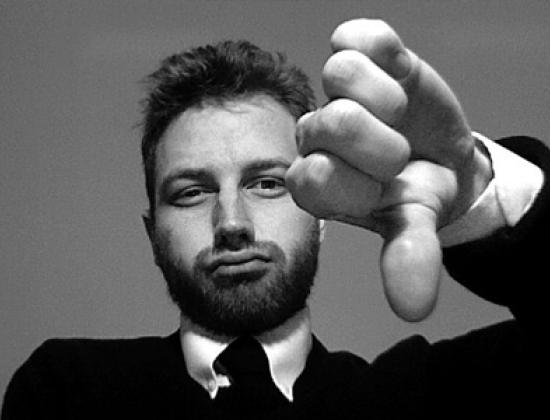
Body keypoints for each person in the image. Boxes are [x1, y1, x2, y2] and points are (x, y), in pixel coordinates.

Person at [2, 18, 546, 419]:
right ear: (152, 234)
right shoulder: (68, 393)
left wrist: (477, 196)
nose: (231, 223)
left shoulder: (433, 401)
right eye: (191, 193)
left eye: (267, 184)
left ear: (321, 214)